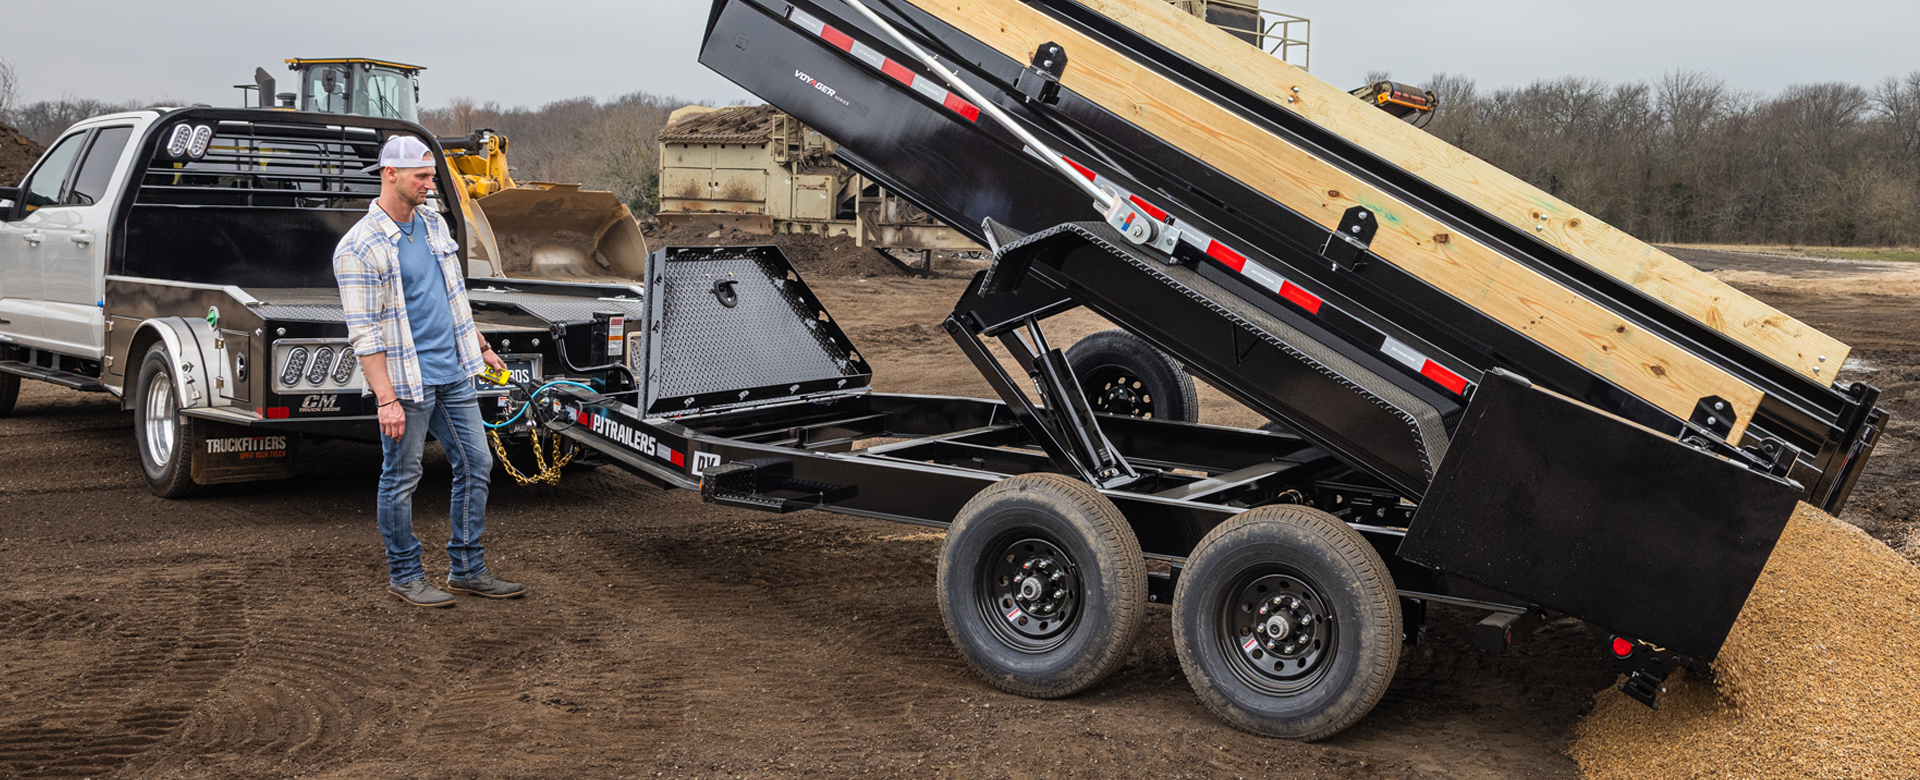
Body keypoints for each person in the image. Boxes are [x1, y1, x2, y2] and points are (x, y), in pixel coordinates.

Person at [333, 135, 523, 608]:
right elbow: (365, 334)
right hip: (407, 382)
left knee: (477, 463)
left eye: (431, 176)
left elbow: (452, 297)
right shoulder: (358, 247)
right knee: (401, 478)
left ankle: (467, 568)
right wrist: (386, 399)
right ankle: (405, 574)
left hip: (454, 371)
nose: (429, 185)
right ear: (389, 174)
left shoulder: (434, 224)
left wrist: (479, 346)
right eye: (421, 177)